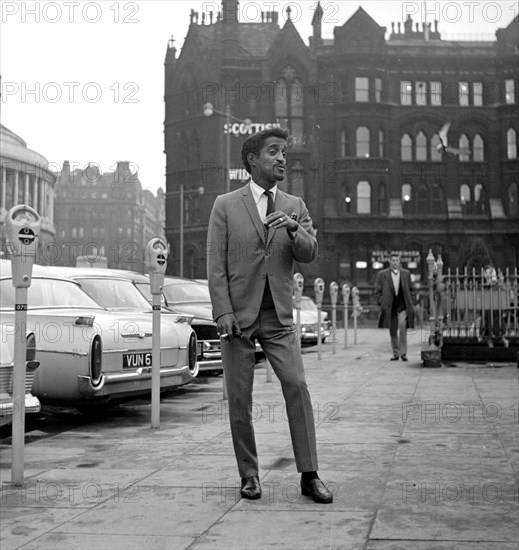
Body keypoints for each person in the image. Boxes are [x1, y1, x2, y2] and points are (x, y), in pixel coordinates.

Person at [206, 127, 333, 504]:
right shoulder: (225, 204)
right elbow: (216, 264)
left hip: (278, 317)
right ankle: (249, 475)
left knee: (296, 386)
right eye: (274, 152)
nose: (282, 159)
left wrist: (293, 228)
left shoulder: (294, 204)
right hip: (238, 319)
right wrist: (222, 311)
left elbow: (310, 254)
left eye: (284, 153)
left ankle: (309, 475)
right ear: (252, 161)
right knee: (240, 399)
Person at [374, 253, 415, 361]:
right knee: (392, 330)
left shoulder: (406, 273)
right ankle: (395, 353)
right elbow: (377, 291)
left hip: (402, 306)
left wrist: (411, 302)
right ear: (390, 261)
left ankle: (403, 353)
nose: (395, 262)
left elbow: (411, 290)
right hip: (389, 307)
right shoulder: (382, 274)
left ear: (399, 262)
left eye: (397, 260)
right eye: (393, 260)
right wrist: (381, 302)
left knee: (402, 328)